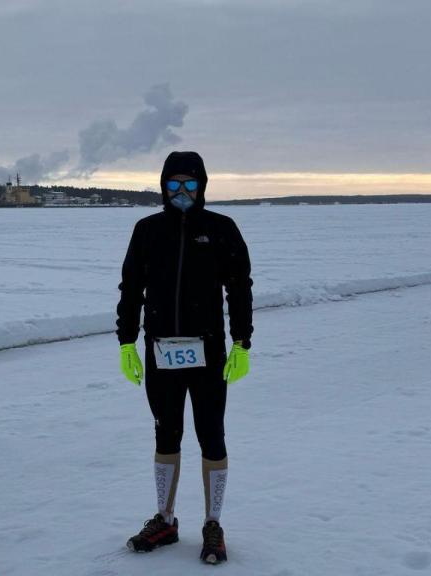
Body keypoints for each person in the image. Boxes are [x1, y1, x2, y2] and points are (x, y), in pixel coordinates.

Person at [116, 151, 253, 564]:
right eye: (174, 185)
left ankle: (212, 523)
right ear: (163, 186)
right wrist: (126, 342)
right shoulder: (146, 231)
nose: (181, 192)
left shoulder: (221, 229)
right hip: (160, 352)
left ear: (202, 187)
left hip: (208, 351)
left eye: (189, 185)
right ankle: (165, 519)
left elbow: (239, 287)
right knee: (166, 434)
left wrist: (241, 342)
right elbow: (130, 288)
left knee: (211, 435)